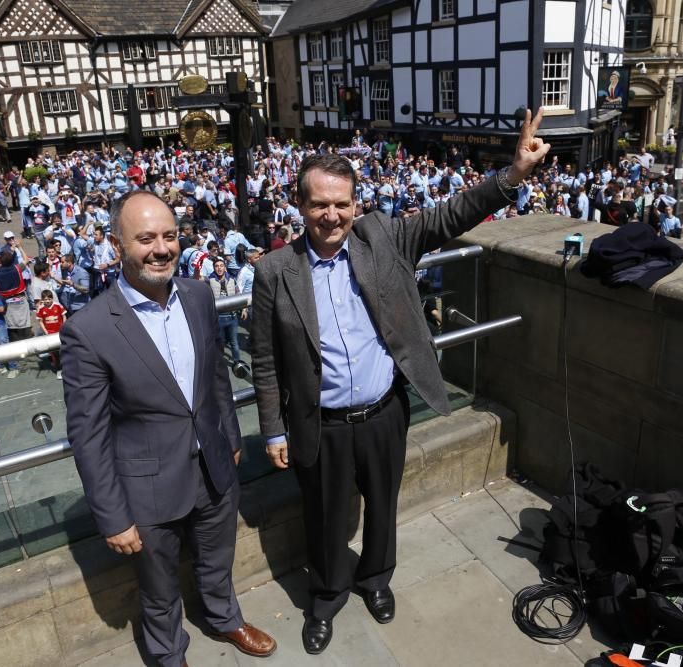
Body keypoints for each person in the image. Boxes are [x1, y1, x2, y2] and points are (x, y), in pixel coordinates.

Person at [251, 108, 551, 654]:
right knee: (322, 519)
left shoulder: (382, 237)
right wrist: (272, 430)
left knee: (383, 505)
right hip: (322, 423)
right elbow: (266, 358)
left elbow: (448, 216)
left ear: (356, 205)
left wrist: (512, 176)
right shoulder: (275, 271)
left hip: (384, 411)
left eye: (342, 203)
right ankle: (325, 599)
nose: (332, 215)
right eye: (319, 203)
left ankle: (376, 579)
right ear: (299, 205)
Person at [60, 190, 277, 667]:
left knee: (218, 557)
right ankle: (167, 653)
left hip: (214, 465)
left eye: (169, 235)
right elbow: (89, 434)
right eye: (145, 238)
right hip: (148, 485)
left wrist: (232, 437)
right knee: (158, 586)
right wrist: (113, 516)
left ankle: (225, 618)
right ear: (117, 245)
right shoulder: (89, 328)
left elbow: (215, 374)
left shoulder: (198, 295)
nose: (161, 248)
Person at [35, 290, 66, 378]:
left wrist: (64, 327)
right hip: (49, 334)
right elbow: (40, 321)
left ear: (52, 298)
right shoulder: (41, 308)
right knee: (54, 353)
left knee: (63, 351)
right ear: (42, 300)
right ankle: (59, 370)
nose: (48, 301)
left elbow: (64, 316)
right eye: (45, 299)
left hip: (59, 332)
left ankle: (66, 368)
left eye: (49, 299)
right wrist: (45, 331)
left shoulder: (58, 305)